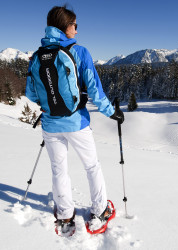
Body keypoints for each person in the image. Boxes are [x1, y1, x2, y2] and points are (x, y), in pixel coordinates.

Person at [25, 5, 124, 230]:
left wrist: (49, 101)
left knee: (59, 169)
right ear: (65, 26)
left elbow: (31, 94)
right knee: (92, 166)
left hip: (50, 124)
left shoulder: (37, 56)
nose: (77, 31)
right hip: (77, 122)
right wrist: (113, 113)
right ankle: (100, 211)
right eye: (75, 25)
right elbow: (96, 92)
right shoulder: (79, 52)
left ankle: (65, 215)